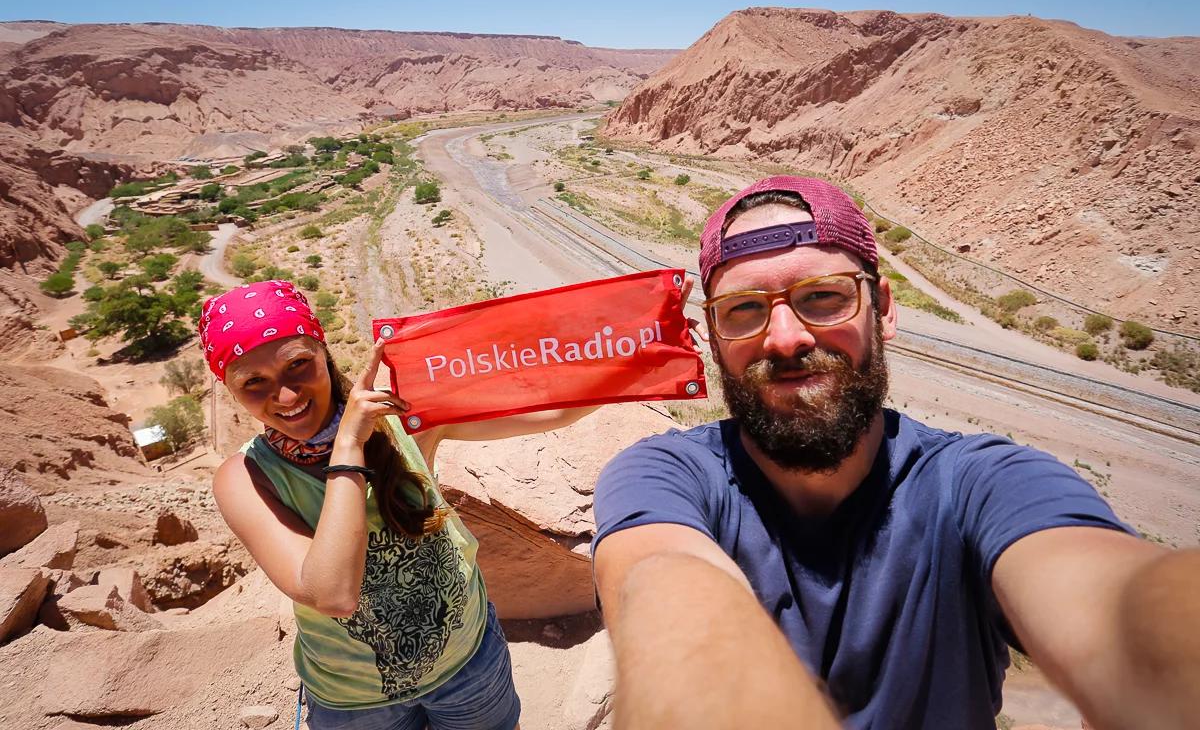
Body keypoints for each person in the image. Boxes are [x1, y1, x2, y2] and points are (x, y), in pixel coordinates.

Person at [591, 176, 1200, 729]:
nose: (785, 337)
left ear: (883, 310)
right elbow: (662, 583)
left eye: (823, 297)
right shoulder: (663, 476)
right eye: (744, 310)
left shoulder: (982, 482)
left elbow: (1116, 604)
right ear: (713, 336)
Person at [201, 281, 588, 729]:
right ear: (230, 391)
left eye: (298, 365)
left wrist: (641, 341)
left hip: (468, 663)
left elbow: (553, 411)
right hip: (355, 699)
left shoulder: (402, 414)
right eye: (254, 383)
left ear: (324, 354)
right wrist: (348, 443)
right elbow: (332, 594)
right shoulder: (246, 478)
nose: (287, 396)